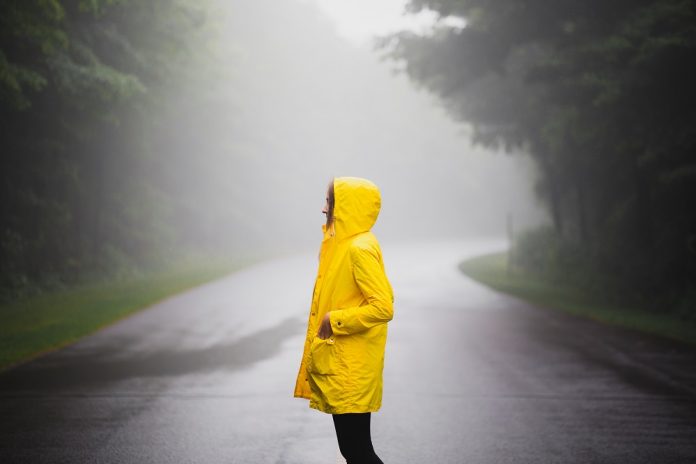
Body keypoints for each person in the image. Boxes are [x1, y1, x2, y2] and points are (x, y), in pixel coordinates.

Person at [294, 176, 394, 464]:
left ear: (346, 206)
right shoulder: (340, 245)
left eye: (329, 201)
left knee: (357, 451)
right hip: (344, 364)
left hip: (352, 367)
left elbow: (383, 306)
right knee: (354, 451)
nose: (324, 209)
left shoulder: (358, 249)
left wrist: (334, 320)